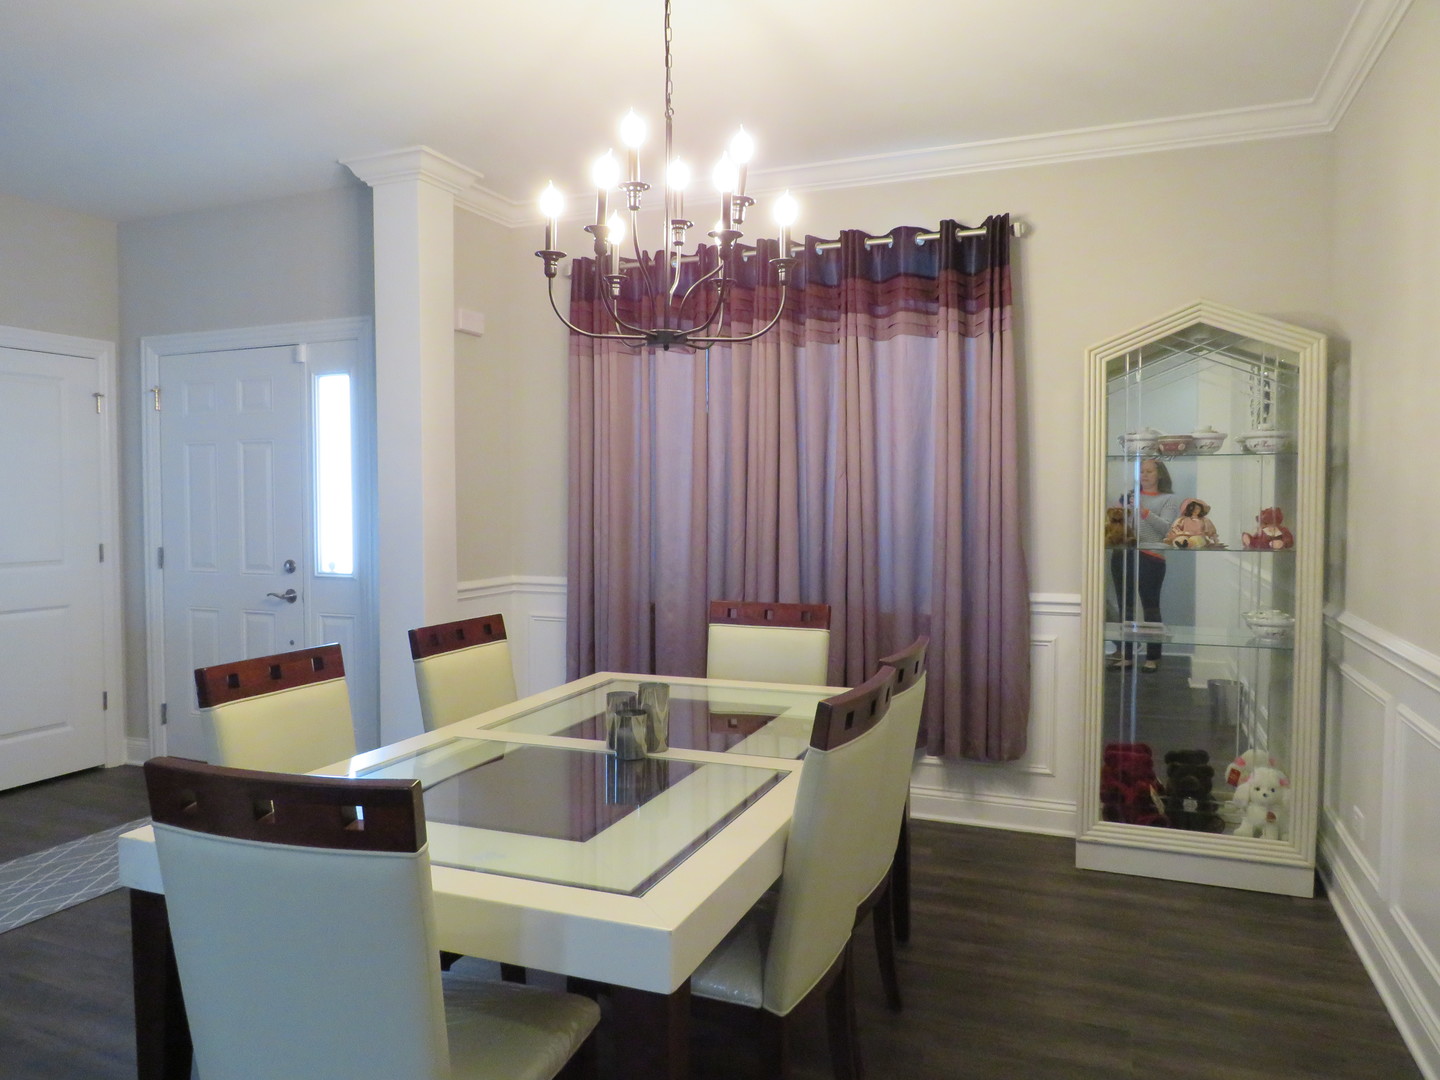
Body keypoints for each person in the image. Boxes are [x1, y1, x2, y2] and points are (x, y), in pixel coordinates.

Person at [1109, 458, 1182, 672]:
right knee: (1126, 606)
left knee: (1151, 606)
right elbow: (1121, 526)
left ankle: (1152, 657)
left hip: (1151, 555)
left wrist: (1144, 511)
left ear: (1160, 474)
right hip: (1124, 554)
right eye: (1141, 471)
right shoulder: (1128, 497)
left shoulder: (1169, 499)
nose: (1145, 475)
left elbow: (1167, 530)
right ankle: (1127, 655)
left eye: (1150, 471)